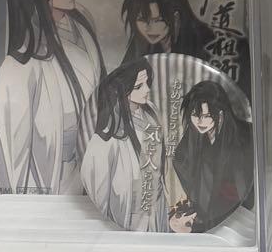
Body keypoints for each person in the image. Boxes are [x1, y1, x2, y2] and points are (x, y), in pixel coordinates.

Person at [0, 0, 106, 197]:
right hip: (55, 162)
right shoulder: (23, 60)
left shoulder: (82, 22)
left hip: (89, 153)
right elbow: (11, 140)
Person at [80, 60, 168, 231]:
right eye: (139, 86)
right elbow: (98, 194)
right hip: (130, 213)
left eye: (147, 83)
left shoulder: (151, 111)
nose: (147, 90)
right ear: (123, 89)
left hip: (155, 206)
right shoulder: (108, 135)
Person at [172, 80, 254, 229]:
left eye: (207, 115)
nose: (200, 121)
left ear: (221, 113)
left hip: (242, 209)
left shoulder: (246, 134)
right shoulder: (188, 143)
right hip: (210, 210)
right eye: (195, 115)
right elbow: (180, 160)